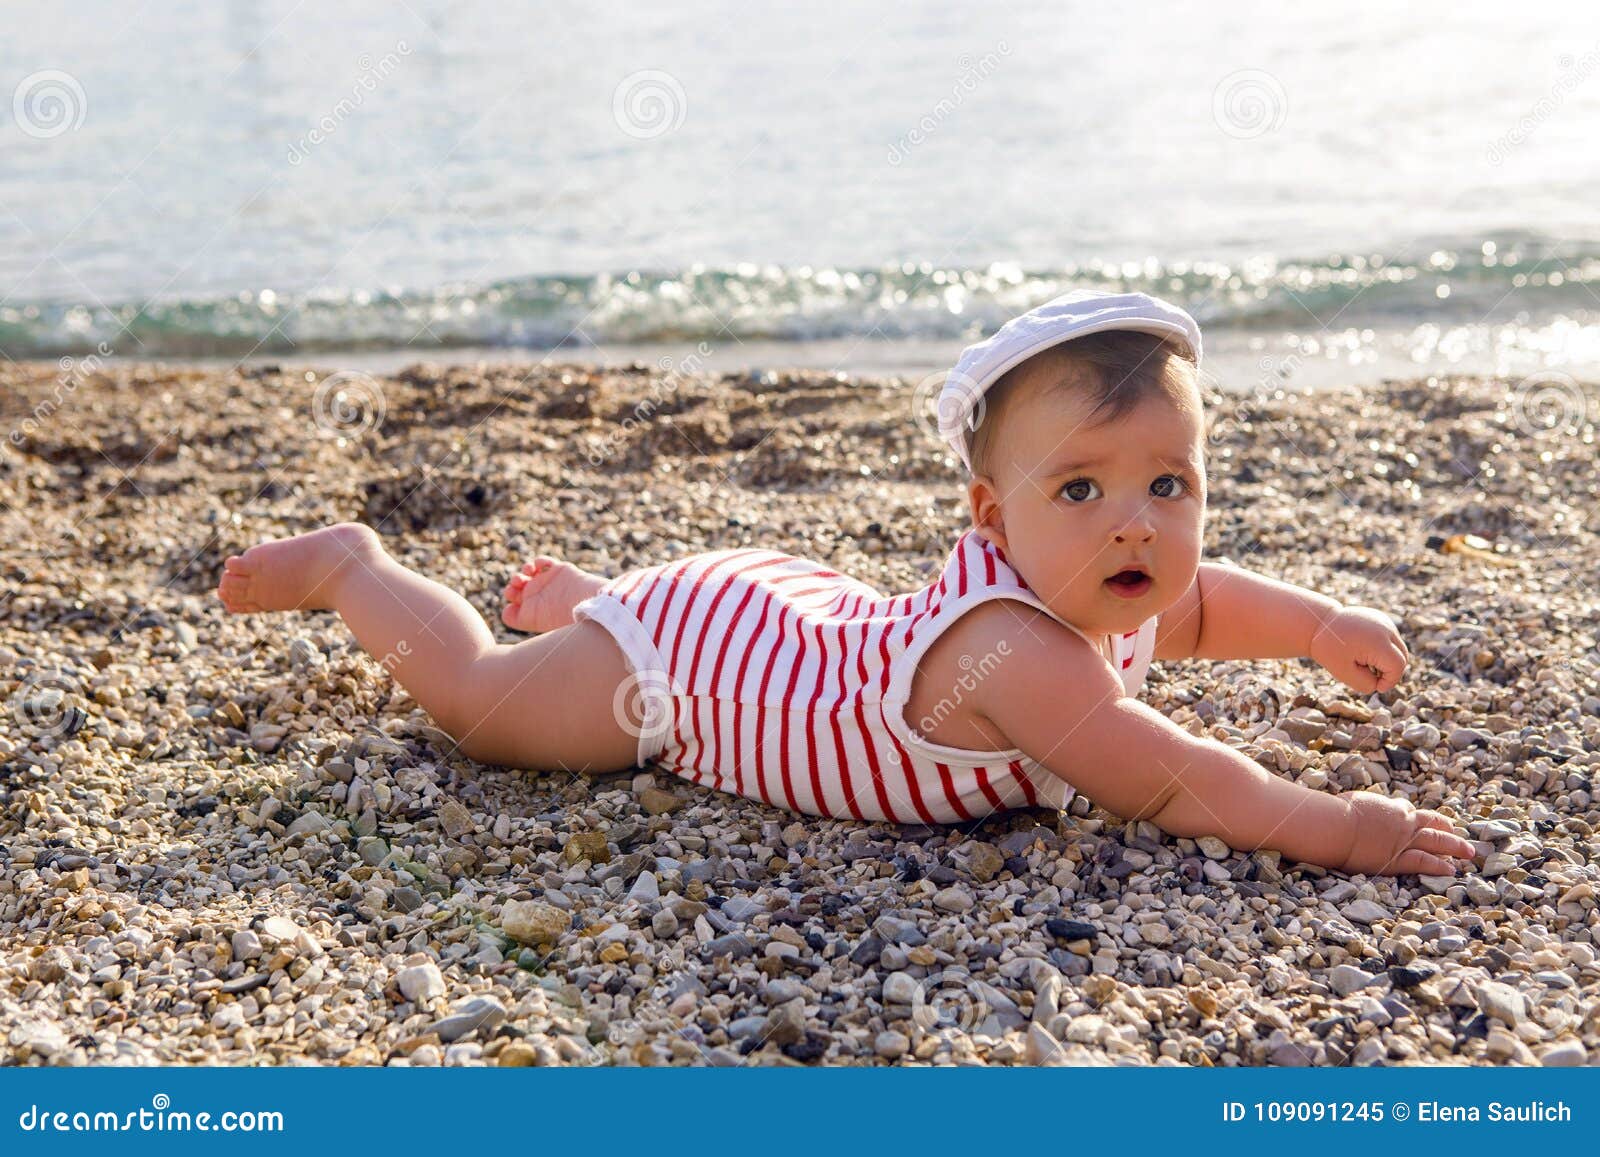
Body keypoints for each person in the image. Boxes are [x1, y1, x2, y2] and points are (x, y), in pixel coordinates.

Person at [215, 290, 1474, 877]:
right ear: (993, 516)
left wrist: (1313, 626)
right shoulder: (1019, 654)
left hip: (790, 620)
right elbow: (1174, 778)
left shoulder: (1100, 586)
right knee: (484, 705)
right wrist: (1337, 824)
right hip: (686, 675)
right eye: (1080, 489)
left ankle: (600, 599)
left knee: (647, 630)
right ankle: (353, 567)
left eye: (1170, 485)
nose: (1134, 523)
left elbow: (1195, 609)